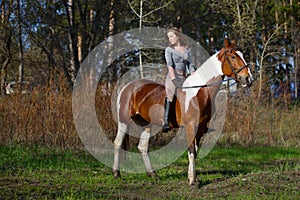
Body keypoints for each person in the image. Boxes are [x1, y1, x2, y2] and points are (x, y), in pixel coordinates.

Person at [162, 27, 196, 132]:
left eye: (171, 36)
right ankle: (166, 122)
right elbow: (170, 65)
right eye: (168, 37)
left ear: (178, 36)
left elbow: (190, 65)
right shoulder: (169, 50)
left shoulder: (187, 50)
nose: (170, 39)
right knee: (171, 95)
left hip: (184, 77)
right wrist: (173, 79)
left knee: (194, 94)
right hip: (172, 76)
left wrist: (194, 74)